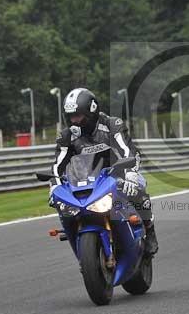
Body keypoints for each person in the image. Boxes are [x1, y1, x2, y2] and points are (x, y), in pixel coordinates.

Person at [51, 87, 158, 255]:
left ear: (91, 111)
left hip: (119, 171)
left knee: (138, 187)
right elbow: (58, 164)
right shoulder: (66, 136)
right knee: (64, 206)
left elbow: (127, 150)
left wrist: (130, 172)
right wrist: (54, 185)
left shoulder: (112, 125)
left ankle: (149, 229)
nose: (74, 121)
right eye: (71, 117)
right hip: (87, 179)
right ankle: (78, 240)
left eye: (78, 116)